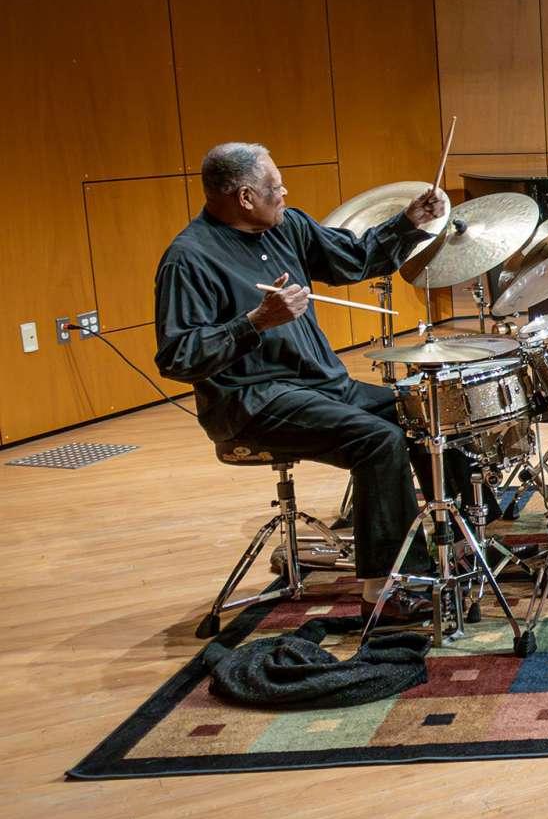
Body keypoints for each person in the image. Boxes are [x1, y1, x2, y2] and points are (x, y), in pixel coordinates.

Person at [154, 143, 454, 601]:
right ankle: (388, 588)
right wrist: (254, 323)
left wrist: (408, 223)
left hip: (320, 385)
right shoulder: (189, 258)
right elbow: (178, 355)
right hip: (252, 401)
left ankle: (458, 542)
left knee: (426, 412)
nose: (285, 193)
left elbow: (352, 258)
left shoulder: (286, 226)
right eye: (276, 187)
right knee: (377, 440)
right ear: (245, 197)